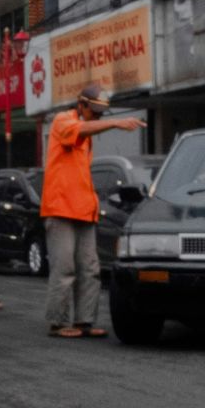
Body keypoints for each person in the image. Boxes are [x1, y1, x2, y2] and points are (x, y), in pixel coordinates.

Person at [41, 84, 144, 338]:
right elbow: (80, 128)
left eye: (101, 113)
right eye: (94, 111)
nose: (97, 117)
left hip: (84, 210)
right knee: (65, 268)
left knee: (90, 268)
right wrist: (116, 123)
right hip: (61, 208)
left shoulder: (85, 135)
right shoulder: (62, 120)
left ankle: (84, 321)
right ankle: (59, 322)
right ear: (81, 104)